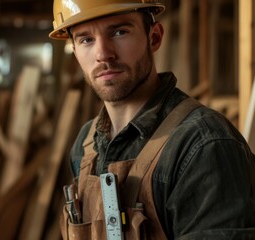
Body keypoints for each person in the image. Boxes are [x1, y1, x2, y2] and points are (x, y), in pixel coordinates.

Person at [49, 0, 255, 239]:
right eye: (86, 39)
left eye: (119, 32)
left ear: (154, 37)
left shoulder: (203, 145)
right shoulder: (86, 145)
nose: (103, 53)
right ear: (75, 51)